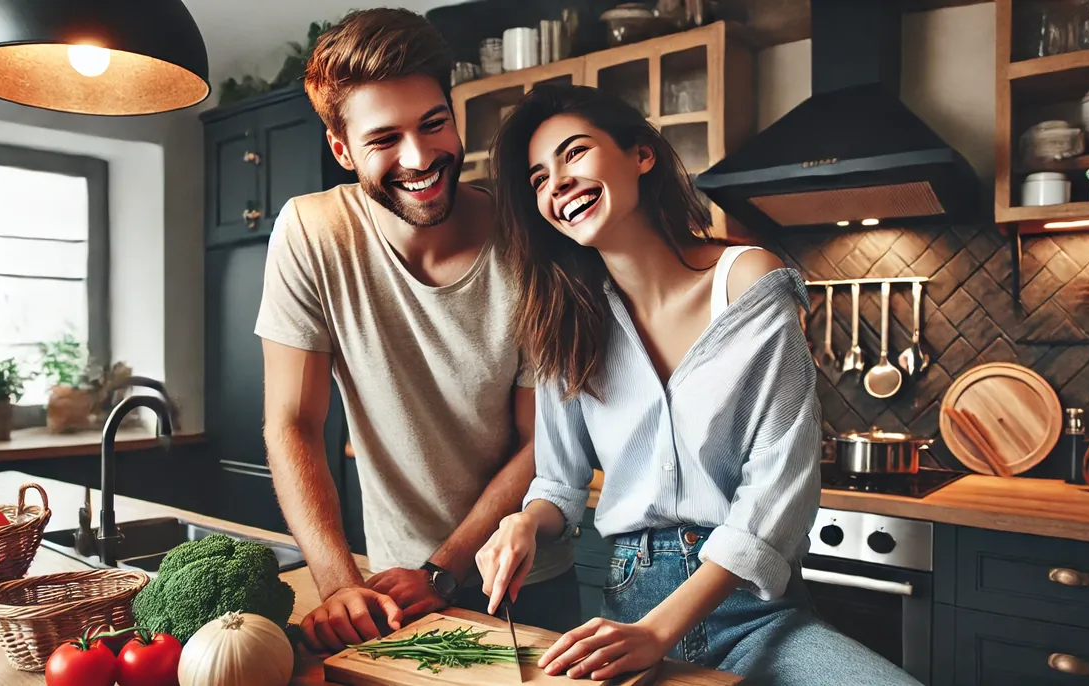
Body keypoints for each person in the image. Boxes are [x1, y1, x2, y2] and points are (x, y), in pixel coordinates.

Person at [474, 84, 920, 685]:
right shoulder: (564, 320)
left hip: (754, 614)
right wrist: (524, 523)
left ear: (641, 155)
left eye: (574, 153)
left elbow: (775, 492)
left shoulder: (747, 280)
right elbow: (559, 481)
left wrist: (661, 633)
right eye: (537, 179)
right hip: (628, 609)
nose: (556, 183)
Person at [254, 9, 578, 654]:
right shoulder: (312, 233)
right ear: (342, 151)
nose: (421, 157)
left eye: (435, 124)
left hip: (519, 575)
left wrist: (445, 568)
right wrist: (338, 583)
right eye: (384, 139)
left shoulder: (530, 242)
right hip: (389, 587)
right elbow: (292, 422)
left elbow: (541, 440)